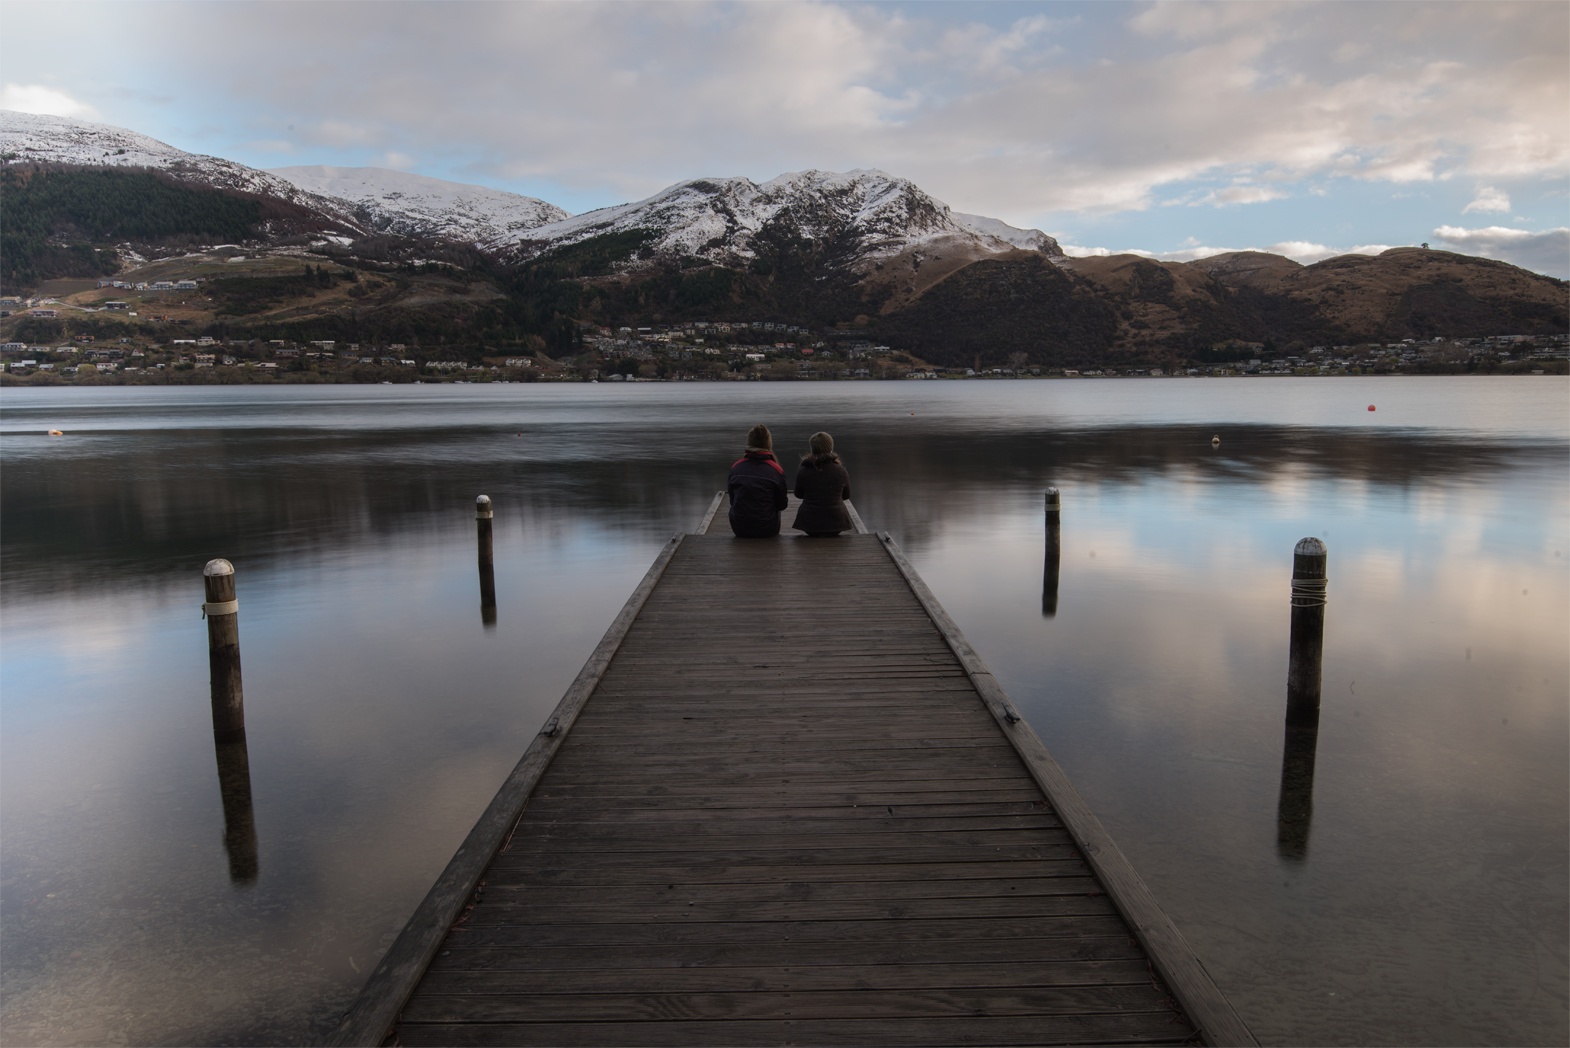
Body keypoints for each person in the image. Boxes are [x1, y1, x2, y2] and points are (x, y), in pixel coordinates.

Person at [727, 423, 788, 537]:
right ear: (769, 444)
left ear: (749, 443)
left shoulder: (736, 468)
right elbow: (782, 505)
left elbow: (732, 501)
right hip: (767, 529)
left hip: (739, 528)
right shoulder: (776, 470)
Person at [792, 431, 852, 536]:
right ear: (830, 448)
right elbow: (846, 496)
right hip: (837, 524)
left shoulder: (804, 471)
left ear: (813, 449)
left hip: (809, 525)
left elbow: (798, 494)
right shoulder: (841, 471)